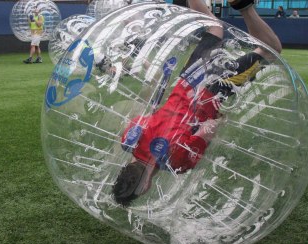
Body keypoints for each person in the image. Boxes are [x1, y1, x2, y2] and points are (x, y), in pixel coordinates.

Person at [112, 0, 282, 207]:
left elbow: (207, 128)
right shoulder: (129, 140)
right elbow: (148, 116)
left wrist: (217, 121)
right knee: (214, 27)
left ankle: (245, 7)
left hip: (213, 91)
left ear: (145, 187)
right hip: (188, 80)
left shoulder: (176, 162)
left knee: (270, 50)